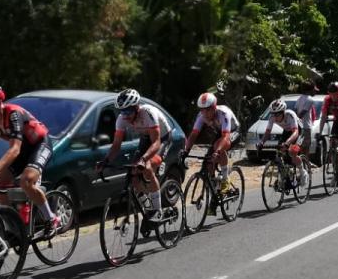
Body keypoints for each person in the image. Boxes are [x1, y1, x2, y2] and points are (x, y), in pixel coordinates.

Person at [0, 83, 61, 235]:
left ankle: (51, 218)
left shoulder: (13, 114)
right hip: (22, 150)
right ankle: (13, 226)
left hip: (39, 145)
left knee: (26, 181)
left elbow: (14, 149)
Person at [96, 89, 173, 219]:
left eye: (128, 111)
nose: (125, 115)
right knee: (133, 174)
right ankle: (148, 208)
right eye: (122, 111)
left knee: (147, 167)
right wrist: (106, 161)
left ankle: (158, 210)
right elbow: (116, 145)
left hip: (162, 138)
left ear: (136, 107)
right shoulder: (121, 119)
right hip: (145, 138)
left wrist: (143, 160)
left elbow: (156, 142)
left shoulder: (148, 113)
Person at [183, 92, 242, 193]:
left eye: (207, 110)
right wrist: (186, 150)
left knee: (218, 147)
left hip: (232, 132)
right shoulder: (201, 116)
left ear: (214, 107)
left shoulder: (223, 113)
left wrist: (217, 151)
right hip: (220, 132)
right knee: (209, 163)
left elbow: (226, 137)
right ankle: (214, 189)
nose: (205, 113)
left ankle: (225, 178)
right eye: (202, 110)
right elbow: (193, 134)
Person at [259, 99, 308, 188]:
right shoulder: (272, 117)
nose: (275, 116)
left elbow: (295, 132)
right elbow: (267, 132)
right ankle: (285, 176)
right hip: (287, 131)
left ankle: (302, 171)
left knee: (292, 151)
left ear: (283, 112)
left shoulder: (290, 115)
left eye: (277, 114)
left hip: (299, 131)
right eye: (273, 114)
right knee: (279, 152)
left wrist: (287, 143)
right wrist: (261, 142)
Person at [294, 82, 318, 167]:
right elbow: (302, 112)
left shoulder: (299, 98)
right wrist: (298, 118)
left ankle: (303, 163)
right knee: (306, 147)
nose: (314, 92)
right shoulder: (310, 99)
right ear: (310, 90)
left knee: (301, 147)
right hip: (306, 126)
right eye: (313, 90)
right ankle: (306, 165)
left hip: (300, 126)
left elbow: (296, 110)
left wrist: (296, 120)